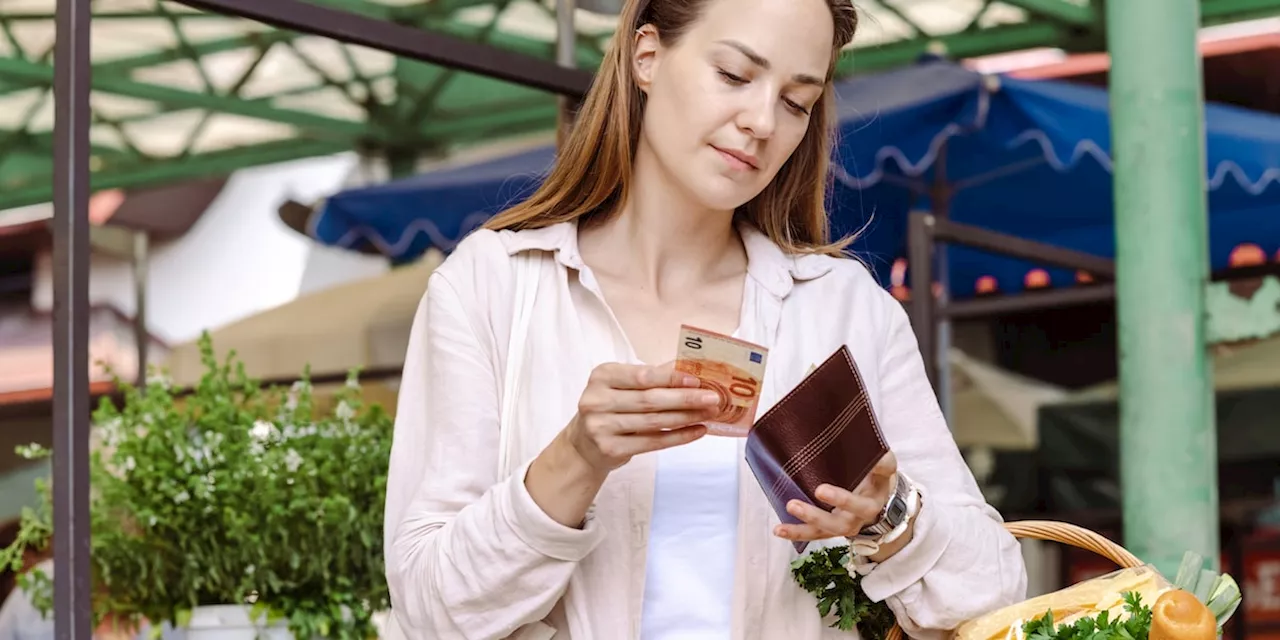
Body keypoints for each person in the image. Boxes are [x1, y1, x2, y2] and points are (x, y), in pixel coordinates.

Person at [383, 0, 1028, 637]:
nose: (761, 121)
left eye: (795, 102)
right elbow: (431, 611)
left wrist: (888, 518)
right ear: (648, 56)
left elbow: (993, 591)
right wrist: (577, 458)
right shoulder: (492, 286)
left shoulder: (843, 306)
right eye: (735, 75)